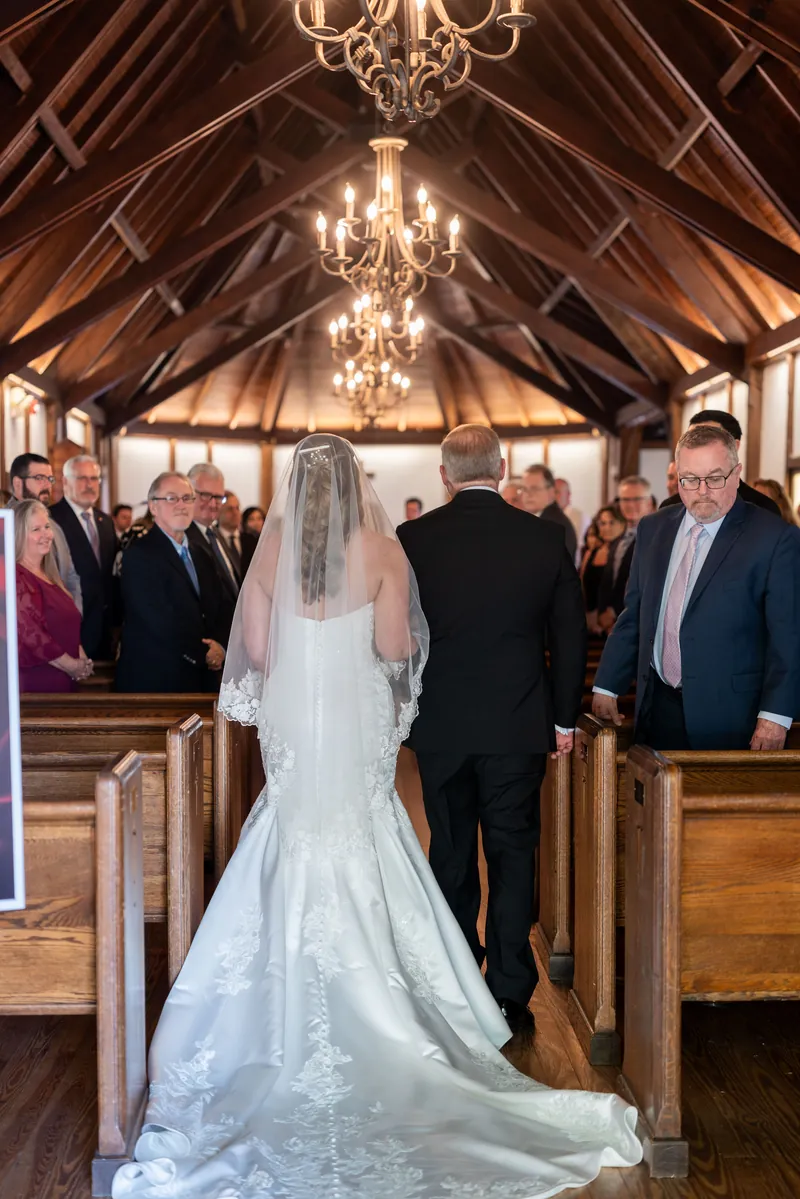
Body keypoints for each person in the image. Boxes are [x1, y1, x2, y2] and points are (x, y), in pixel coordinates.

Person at [110, 434, 640, 1199]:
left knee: (286, 847)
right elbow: (396, 648)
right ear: (357, 485)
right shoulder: (385, 552)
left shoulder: (270, 554)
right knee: (379, 845)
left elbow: (254, 653)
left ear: (295, 487)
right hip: (356, 730)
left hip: (296, 736)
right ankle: (442, 1007)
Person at [398, 425, 587, 1038]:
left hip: (442, 725)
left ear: (444, 475)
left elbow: (396, 641)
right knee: (512, 854)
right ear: (501, 469)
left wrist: (401, 711)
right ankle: (509, 993)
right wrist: (561, 720)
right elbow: (568, 635)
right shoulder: (542, 536)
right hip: (517, 723)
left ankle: (458, 987)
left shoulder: (412, 539)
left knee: (450, 853)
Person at [593, 426, 800, 751]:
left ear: (736, 474)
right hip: (657, 705)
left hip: (732, 715)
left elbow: (788, 636)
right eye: (689, 479)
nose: (702, 490)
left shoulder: (774, 538)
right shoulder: (653, 528)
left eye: (714, 478)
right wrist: (607, 684)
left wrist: (776, 714)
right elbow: (635, 613)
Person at [116, 473, 228, 693]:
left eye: (187, 498)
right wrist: (203, 652)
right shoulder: (138, 555)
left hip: (201, 678)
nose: (181, 505)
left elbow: (222, 606)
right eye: (171, 498)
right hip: (156, 679)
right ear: (153, 506)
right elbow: (154, 619)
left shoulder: (202, 554)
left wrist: (221, 646)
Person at [14, 500, 92, 693]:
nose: (46, 535)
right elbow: (31, 635)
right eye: (36, 529)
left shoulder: (51, 575)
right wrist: (71, 665)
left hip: (66, 677)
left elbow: (68, 623)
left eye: (47, 527)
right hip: (39, 681)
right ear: (18, 535)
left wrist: (82, 660)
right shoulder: (17, 576)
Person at [49, 454, 117, 660]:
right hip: (71, 625)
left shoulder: (105, 521)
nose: (90, 485)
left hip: (105, 629)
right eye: (82, 478)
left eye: (94, 479)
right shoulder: (51, 519)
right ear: (65, 481)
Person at [661, 409, 780, 517]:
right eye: (692, 441)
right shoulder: (669, 509)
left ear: (734, 446)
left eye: (708, 440)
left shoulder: (763, 508)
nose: (698, 449)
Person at [7, 453, 81, 611]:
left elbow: (71, 576)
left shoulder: (54, 526)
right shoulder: (5, 525)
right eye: (40, 478)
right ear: (18, 483)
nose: (47, 485)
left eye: (50, 479)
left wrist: (73, 612)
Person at [596, 475, 654, 631]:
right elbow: (608, 581)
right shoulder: (617, 540)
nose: (630, 505)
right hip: (611, 628)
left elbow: (646, 585)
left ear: (649, 503)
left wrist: (614, 612)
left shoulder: (655, 539)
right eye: (625, 500)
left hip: (638, 624)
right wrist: (602, 612)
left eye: (636, 499)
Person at [186, 463, 239, 620]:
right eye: (205, 495)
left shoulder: (215, 533)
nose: (213, 503)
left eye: (218, 497)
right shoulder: (183, 538)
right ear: (189, 493)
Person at [520, 464, 578, 561]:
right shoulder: (539, 519)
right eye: (524, 489)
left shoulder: (554, 524)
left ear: (551, 491)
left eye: (534, 489)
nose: (528, 494)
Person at [582, 505, 625, 633]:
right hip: (590, 620)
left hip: (615, 622)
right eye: (602, 523)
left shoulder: (626, 553)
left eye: (612, 523)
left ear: (622, 524)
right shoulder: (592, 552)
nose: (607, 527)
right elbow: (582, 584)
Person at [554, 477, 589, 558]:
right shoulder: (548, 515)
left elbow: (581, 547)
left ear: (568, 495)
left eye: (557, 492)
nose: (553, 496)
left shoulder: (580, 517)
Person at [216, 490, 244, 576]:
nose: (235, 513)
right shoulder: (213, 540)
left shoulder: (251, 540)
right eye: (230, 509)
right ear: (218, 512)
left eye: (237, 508)